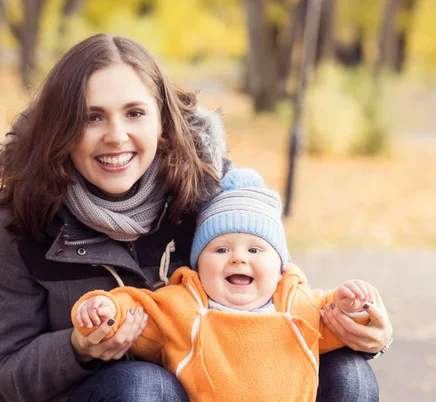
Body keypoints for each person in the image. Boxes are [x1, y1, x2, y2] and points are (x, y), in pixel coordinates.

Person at [0, 33, 392, 402]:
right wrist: (77, 349)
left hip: (225, 381)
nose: (116, 136)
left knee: (348, 374)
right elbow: (6, 372)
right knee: (143, 384)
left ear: (162, 123)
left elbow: (279, 295)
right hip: (110, 392)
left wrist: (364, 327)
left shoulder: (208, 191)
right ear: (61, 127)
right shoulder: (21, 219)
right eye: (92, 117)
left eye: (135, 113)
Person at [72, 169, 383, 401]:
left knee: (351, 371)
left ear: (279, 269)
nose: (237, 259)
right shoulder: (184, 307)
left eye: (255, 250)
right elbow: (138, 307)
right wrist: (105, 309)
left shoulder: (298, 307)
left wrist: (353, 307)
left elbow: (338, 320)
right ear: (198, 265)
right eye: (221, 250)